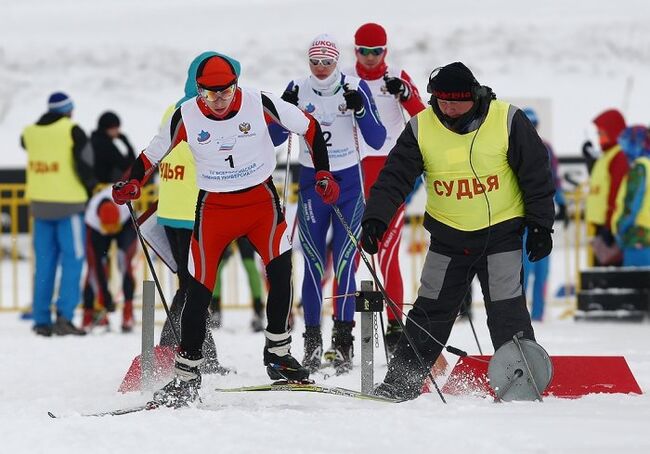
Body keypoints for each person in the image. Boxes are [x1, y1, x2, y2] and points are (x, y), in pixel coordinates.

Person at [112, 53, 335, 407]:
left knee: (280, 270)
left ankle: (278, 354)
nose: (218, 100)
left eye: (226, 92)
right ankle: (187, 375)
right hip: (215, 206)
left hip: (261, 203)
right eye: (210, 93)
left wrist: (323, 171)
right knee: (198, 289)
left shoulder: (258, 101)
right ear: (198, 91)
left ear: (236, 86)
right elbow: (151, 154)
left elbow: (308, 127)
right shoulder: (184, 115)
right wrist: (132, 183)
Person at [360, 62, 555, 400]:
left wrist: (541, 225)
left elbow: (536, 173)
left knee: (507, 310)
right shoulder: (422, 126)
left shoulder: (506, 118)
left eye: (454, 103)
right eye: (440, 101)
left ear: (474, 97)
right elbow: (395, 177)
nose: (446, 109)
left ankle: (523, 383)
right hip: (449, 239)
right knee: (429, 311)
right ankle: (400, 384)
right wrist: (376, 219)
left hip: (501, 235)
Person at [277, 34, 386, 374]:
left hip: (349, 184)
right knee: (311, 263)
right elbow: (275, 139)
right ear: (308, 62)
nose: (321, 69)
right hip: (311, 182)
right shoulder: (297, 87)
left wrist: (361, 108)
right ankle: (312, 342)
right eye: (315, 62)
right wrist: (284, 107)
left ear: (337, 63)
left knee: (344, 263)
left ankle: (342, 343)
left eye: (327, 63)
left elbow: (378, 138)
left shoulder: (354, 86)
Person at [345, 22, 426, 354]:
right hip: (353, 171)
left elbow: (424, 118)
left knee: (388, 255)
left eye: (375, 51)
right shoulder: (344, 81)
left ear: (385, 52)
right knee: (347, 256)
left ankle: (395, 327)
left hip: (390, 175)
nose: (368, 57)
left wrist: (406, 95)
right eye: (363, 51)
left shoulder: (398, 79)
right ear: (355, 51)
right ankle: (342, 330)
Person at [156, 51, 233, 376]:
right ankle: (168, 347)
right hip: (195, 211)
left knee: (191, 284)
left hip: (171, 210)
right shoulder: (202, 113)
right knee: (194, 286)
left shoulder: (172, 108)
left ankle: (202, 352)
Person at [21, 92, 97, 336]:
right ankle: (64, 316)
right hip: (69, 206)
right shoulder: (72, 130)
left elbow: (24, 144)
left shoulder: (29, 132)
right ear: (69, 110)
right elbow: (86, 164)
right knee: (72, 262)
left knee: (44, 263)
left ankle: (41, 319)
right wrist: (90, 186)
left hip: (40, 206)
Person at [521, 107, 567, 321]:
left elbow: (554, 178)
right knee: (522, 270)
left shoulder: (545, 148)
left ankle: (539, 313)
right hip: (521, 217)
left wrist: (562, 203)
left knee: (542, 268)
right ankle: (519, 315)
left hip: (541, 217)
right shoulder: (513, 147)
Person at [82, 187, 137, 332]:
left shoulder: (126, 207)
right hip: (99, 231)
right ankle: (90, 312)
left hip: (125, 226)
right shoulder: (91, 218)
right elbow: (96, 263)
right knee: (94, 268)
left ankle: (128, 311)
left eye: (113, 227)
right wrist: (105, 297)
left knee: (124, 263)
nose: (112, 231)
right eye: (109, 228)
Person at [584, 109, 628, 266]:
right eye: (598, 134)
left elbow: (615, 192)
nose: (599, 138)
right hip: (600, 227)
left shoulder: (619, 156)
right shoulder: (607, 156)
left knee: (609, 278)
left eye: (602, 133)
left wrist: (609, 226)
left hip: (609, 228)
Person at [209, 237, 266, 332]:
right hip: (227, 227)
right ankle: (215, 310)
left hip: (244, 229)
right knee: (218, 267)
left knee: (250, 266)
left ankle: (258, 312)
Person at [614, 126, 650, 266]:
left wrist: (620, 228)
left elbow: (632, 203)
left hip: (638, 238)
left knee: (635, 285)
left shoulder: (640, 168)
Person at [90, 111, 136, 183]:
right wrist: (126, 142)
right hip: (104, 186)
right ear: (109, 128)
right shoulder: (105, 145)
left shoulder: (93, 139)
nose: (118, 131)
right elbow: (128, 166)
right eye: (116, 128)